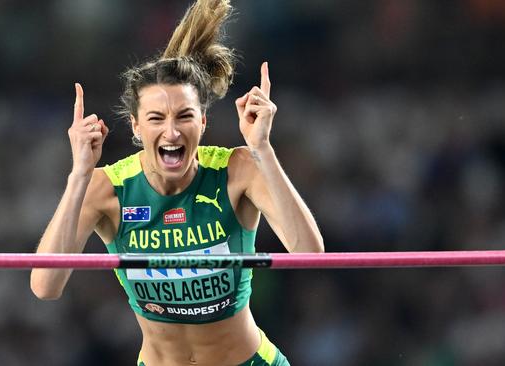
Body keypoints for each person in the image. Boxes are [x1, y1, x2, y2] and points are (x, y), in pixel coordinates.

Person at [30, 0, 324, 365]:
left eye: (184, 116)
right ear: (137, 127)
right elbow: (45, 287)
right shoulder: (107, 188)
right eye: (156, 118)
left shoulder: (239, 169)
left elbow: (311, 257)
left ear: (202, 122)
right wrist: (78, 176)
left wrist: (262, 148)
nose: (171, 131)